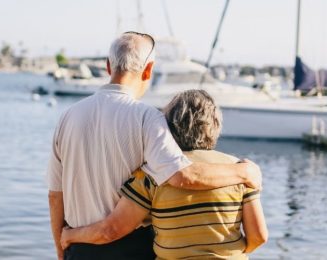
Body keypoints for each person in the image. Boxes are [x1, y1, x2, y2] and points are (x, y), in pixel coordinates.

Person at [47, 32, 262, 260]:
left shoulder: (67, 117)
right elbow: (182, 176)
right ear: (148, 69)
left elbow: (55, 196)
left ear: (108, 67)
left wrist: (63, 249)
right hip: (133, 250)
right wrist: (244, 171)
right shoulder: (147, 117)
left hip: (78, 248)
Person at [60, 90, 268, 259]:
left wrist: (70, 235)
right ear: (215, 126)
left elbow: (112, 230)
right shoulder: (241, 171)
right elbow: (259, 236)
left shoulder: (152, 174)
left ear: (168, 128)